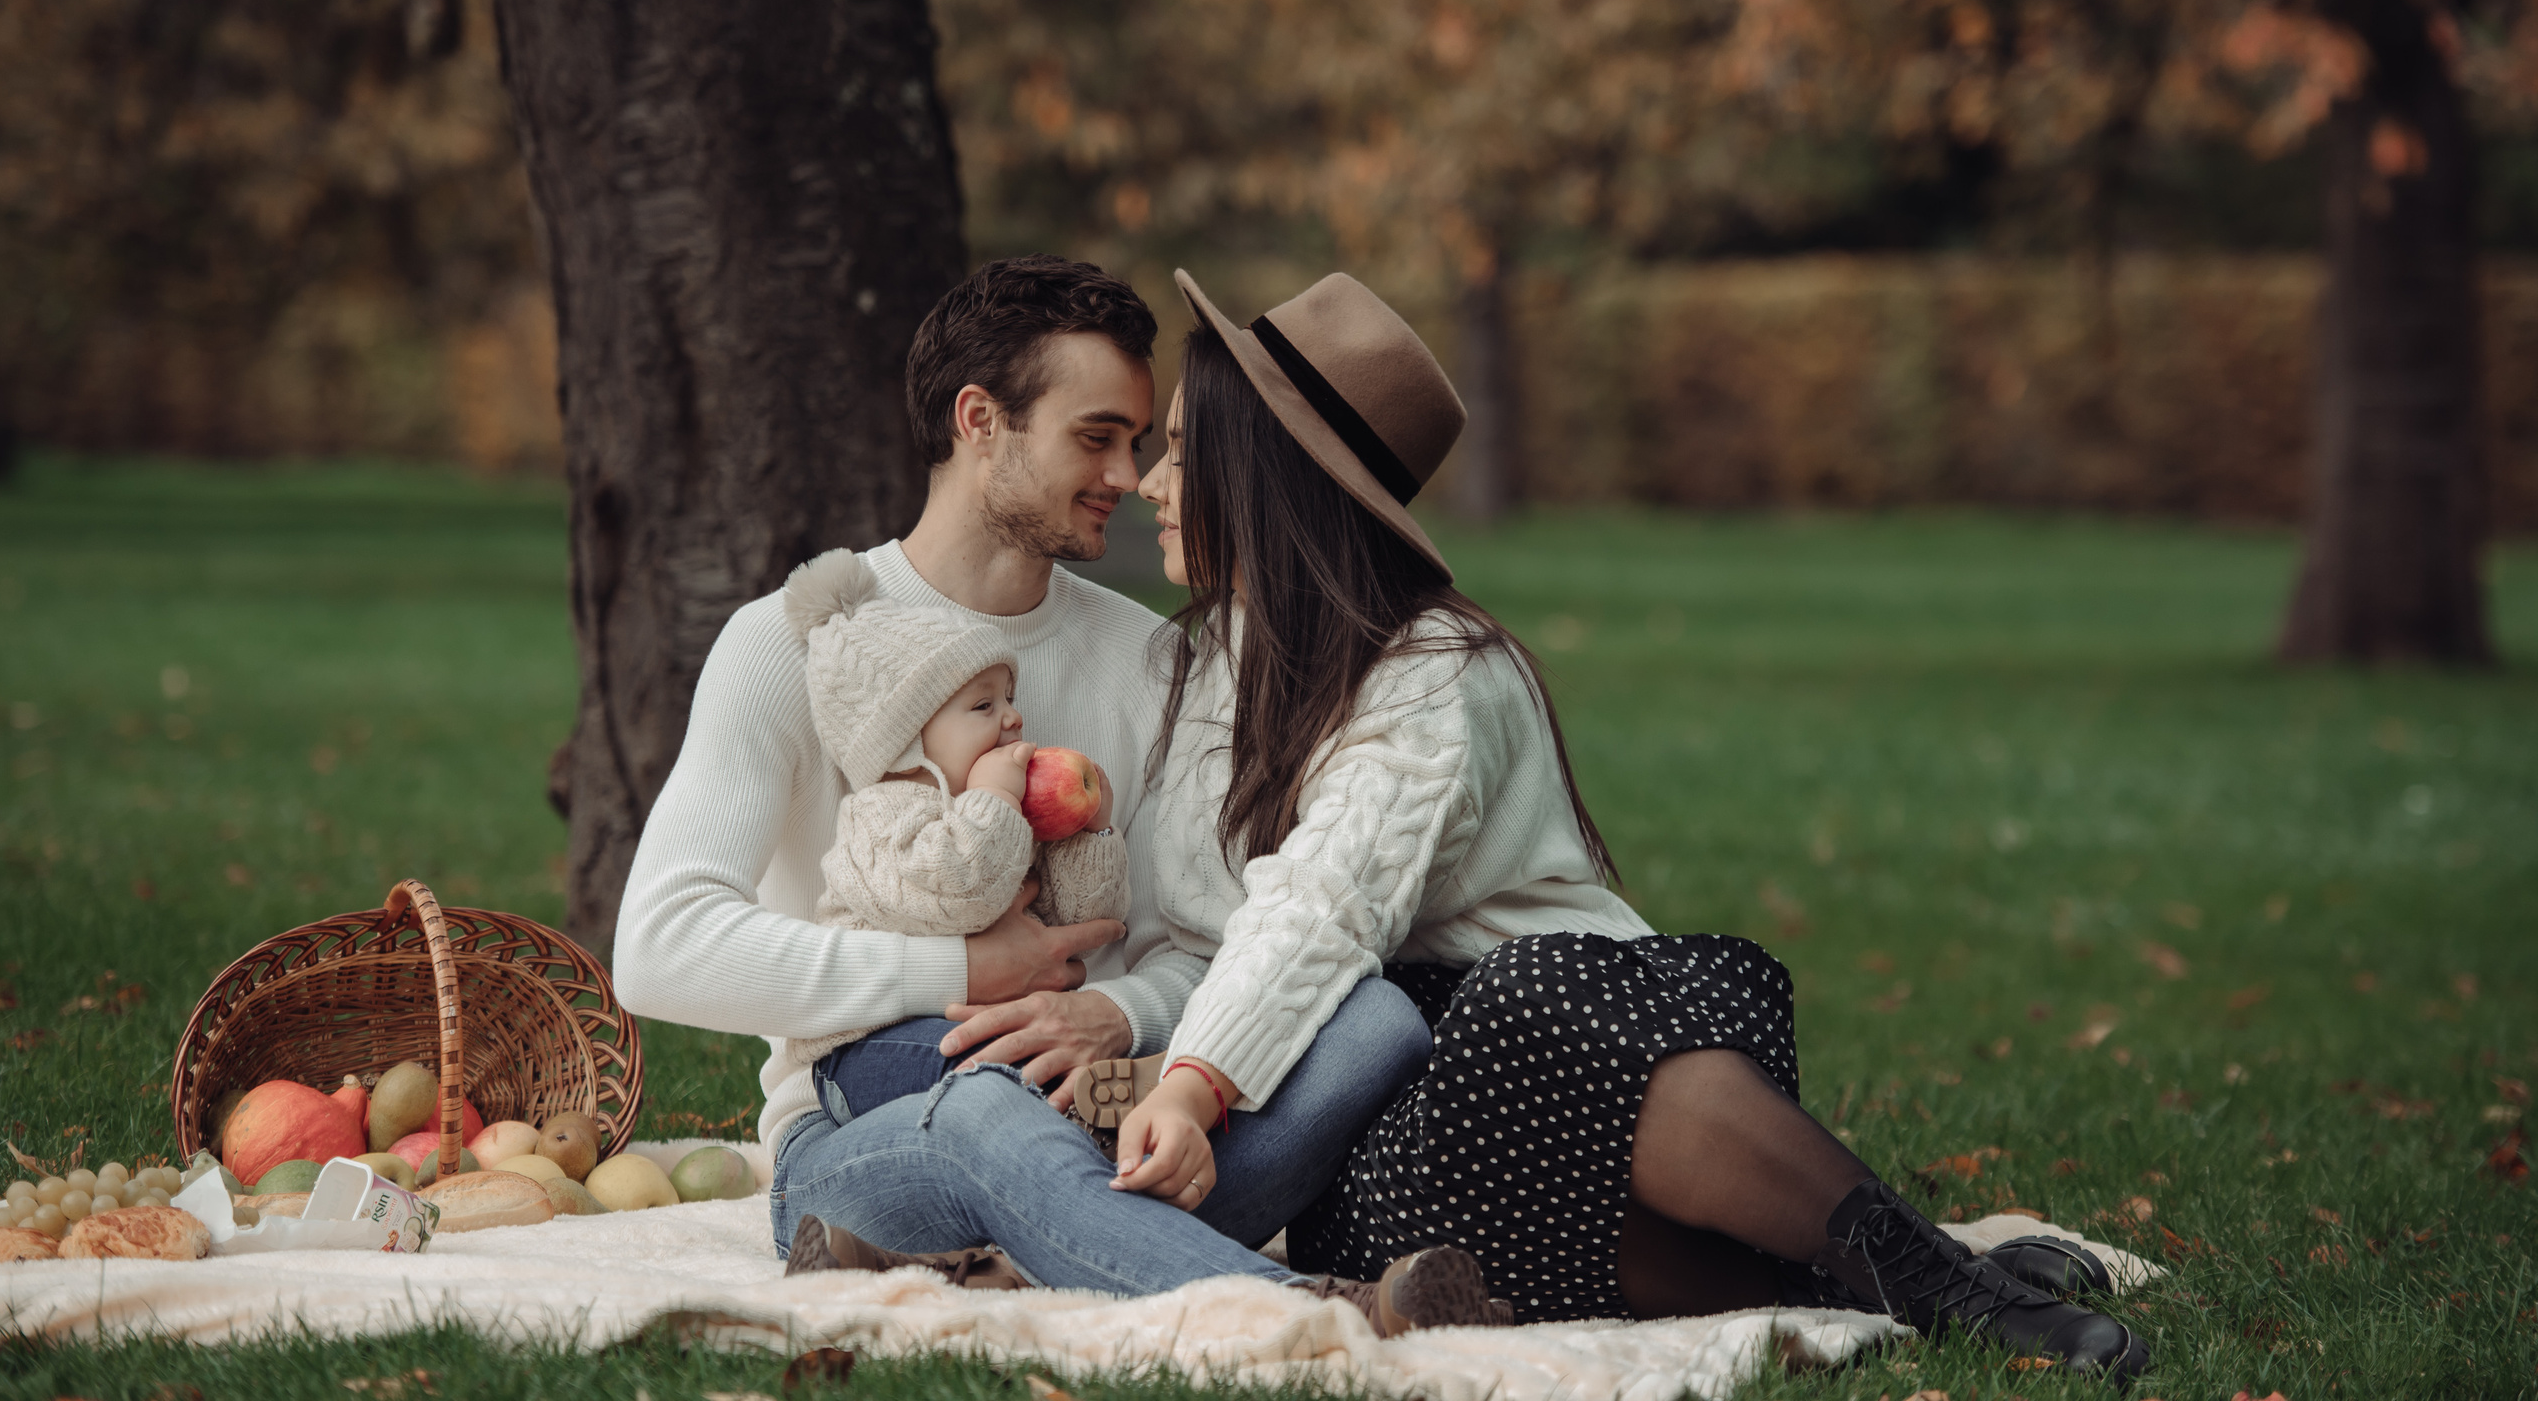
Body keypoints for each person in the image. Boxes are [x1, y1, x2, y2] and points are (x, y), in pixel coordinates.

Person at [783, 271, 2153, 1380]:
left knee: (1518, 1004)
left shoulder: (1437, 670)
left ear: (1270, 479)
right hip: (1417, 1076)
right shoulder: (1196, 674)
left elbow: (1328, 904)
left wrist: (1196, 1087)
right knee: (1374, 1174)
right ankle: (1894, 1282)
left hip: (1605, 1038)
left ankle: (1948, 1289)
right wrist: (1132, 1031)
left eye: (1184, 453)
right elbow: (1218, 931)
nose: (1147, 482)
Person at [611, 256, 1431, 1277]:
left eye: (1135, 443)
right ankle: (1299, 1311)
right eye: (1095, 438)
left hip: (1121, 1118)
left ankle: (1054, 1240)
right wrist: (962, 972)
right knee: (986, 1113)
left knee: (1375, 1023)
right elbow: (661, 949)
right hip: (873, 1129)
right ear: (979, 421)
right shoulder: (795, 639)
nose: (1129, 479)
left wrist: (1113, 1015)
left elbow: (1215, 944)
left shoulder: (1161, 662)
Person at [776, 545, 1127, 1073]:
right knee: (999, 1075)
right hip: (871, 1043)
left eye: (1009, 698)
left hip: (974, 1029)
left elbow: (1070, 921)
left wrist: (1090, 834)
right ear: (905, 742)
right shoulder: (878, 818)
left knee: (1033, 1065)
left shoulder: (994, 819)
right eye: (984, 705)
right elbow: (962, 891)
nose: (1013, 718)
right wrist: (996, 799)